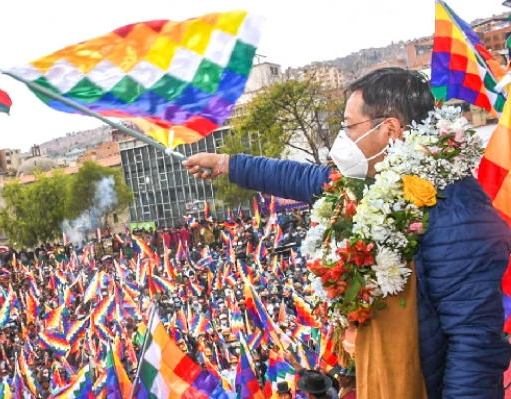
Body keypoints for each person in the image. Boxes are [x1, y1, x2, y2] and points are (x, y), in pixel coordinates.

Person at [184, 67, 511, 398]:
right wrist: (228, 163)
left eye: (349, 126)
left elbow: (474, 343)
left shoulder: (456, 209)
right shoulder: (368, 183)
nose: (343, 138)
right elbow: (302, 178)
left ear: (390, 130)